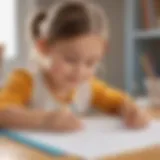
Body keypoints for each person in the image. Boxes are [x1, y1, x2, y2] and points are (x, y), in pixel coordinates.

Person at [0, 0, 150, 132]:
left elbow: (118, 101)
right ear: (44, 47)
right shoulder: (26, 80)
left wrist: (132, 111)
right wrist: (45, 120)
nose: (80, 71)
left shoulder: (87, 87)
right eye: (70, 60)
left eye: (90, 62)